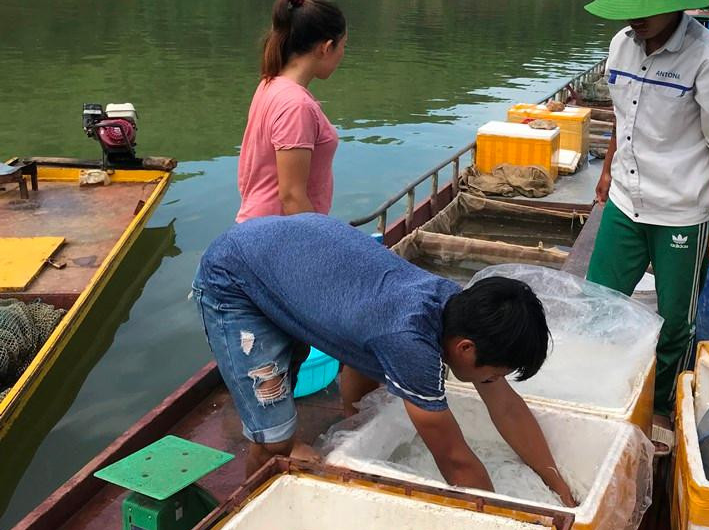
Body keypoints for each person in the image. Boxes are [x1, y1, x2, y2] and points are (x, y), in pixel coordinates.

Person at [191, 213, 577, 504]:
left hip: (290, 255)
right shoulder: (410, 342)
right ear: (465, 348)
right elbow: (455, 461)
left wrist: (559, 490)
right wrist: (506, 522)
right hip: (236, 277)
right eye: (491, 376)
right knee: (273, 437)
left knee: (365, 358)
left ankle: (337, 437)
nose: (491, 383)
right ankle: (249, 508)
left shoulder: (459, 310)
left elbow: (507, 408)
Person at [583, 0, 709, 437]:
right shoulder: (621, 44)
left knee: (675, 320)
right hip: (625, 200)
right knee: (598, 301)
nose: (636, 20)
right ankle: (601, 387)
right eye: (629, 8)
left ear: (675, 2)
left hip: (683, 210)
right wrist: (607, 171)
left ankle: (658, 407)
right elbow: (623, 116)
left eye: (647, 9)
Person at [236, 0, 346, 223]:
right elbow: (292, 198)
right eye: (343, 46)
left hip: (257, 226)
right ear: (326, 47)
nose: (342, 54)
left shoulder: (270, 84)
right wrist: (320, 240)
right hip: (279, 234)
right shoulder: (296, 106)